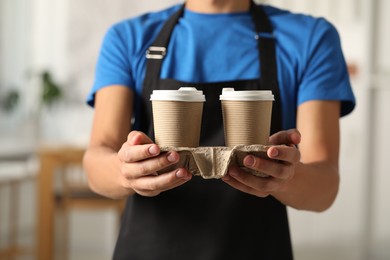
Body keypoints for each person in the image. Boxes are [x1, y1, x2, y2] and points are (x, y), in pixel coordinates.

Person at [83, 0, 355, 259]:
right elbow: (97, 161)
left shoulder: (311, 38)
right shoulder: (128, 37)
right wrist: (125, 172)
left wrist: (287, 176)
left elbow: (325, 187)